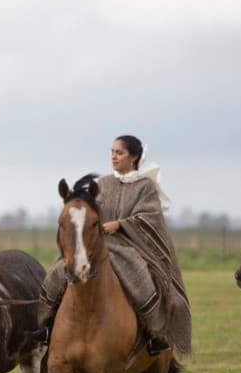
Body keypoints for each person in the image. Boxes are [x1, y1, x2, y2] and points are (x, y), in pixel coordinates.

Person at [36, 135, 192, 355]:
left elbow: (150, 218)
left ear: (134, 157)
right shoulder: (102, 184)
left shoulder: (145, 187)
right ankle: (44, 325)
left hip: (131, 246)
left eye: (119, 153)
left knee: (139, 276)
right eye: (112, 152)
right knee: (58, 270)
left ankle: (155, 334)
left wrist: (120, 224)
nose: (114, 157)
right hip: (100, 245)